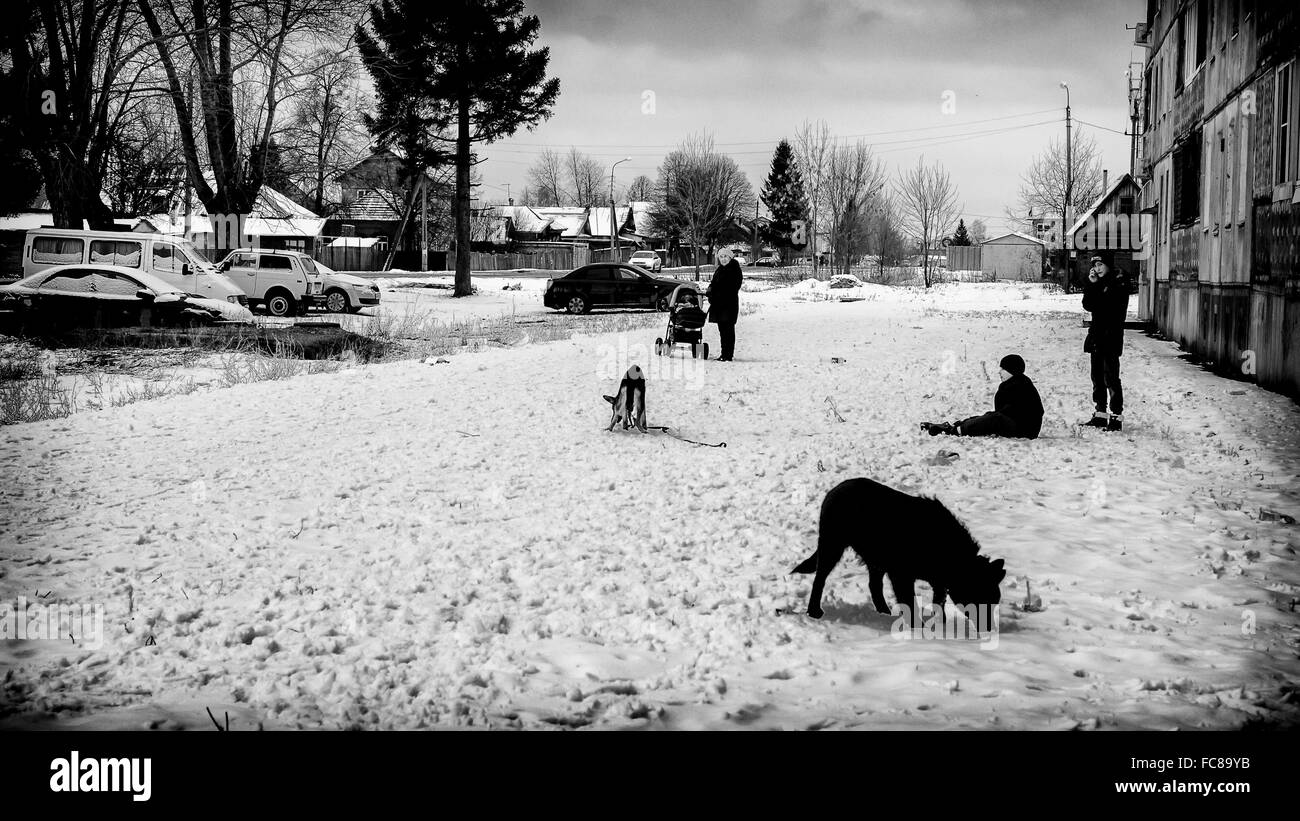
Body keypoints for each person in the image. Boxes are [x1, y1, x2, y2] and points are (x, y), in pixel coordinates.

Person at [921, 354, 1044, 439]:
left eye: (1003, 369)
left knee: (993, 418)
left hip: (1025, 431)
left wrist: (997, 418)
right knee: (990, 417)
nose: (999, 372)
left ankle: (954, 430)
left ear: (1011, 370)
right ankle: (956, 426)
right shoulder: (1014, 384)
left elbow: (1009, 413)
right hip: (1019, 427)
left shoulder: (1020, 386)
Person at [1081, 254, 1129, 432]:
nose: (1098, 268)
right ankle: (1100, 414)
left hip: (1111, 337)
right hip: (1097, 336)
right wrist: (1091, 285)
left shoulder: (1119, 282)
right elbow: (1088, 304)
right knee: (1097, 377)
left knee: (1111, 378)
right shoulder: (1098, 284)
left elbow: (1105, 306)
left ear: (1108, 265)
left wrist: (1096, 290)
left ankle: (1116, 416)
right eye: (1095, 265)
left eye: (1101, 264)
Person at [706, 249, 743, 361]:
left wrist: (716, 294)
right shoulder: (720, 270)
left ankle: (728, 355)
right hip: (719, 305)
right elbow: (714, 283)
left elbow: (733, 287)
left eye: (725, 256)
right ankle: (724, 354)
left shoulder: (734, 270)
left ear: (730, 258)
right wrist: (710, 290)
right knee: (722, 330)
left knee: (728, 330)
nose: (723, 259)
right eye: (721, 257)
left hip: (728, 305)